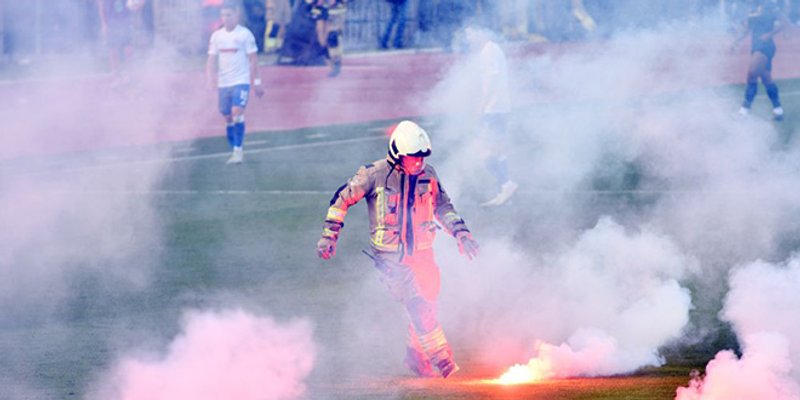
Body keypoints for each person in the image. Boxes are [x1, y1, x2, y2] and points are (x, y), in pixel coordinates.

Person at [316, 120, 480, 378]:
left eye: (421, 158)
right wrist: (329, 236)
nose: (418, 163)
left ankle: (415, 356)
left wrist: (462, 233)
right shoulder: (373, 174)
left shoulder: (429, 175)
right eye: (412, 158)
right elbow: (341, 200)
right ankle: (444, 362)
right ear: (397, 154)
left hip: (424, 255)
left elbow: (443, 207)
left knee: (428, 304)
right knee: (418, 308)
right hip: (390, 258)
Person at [464, 26, 518, 207]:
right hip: (497, 109)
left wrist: (481, 105)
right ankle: (504, 190)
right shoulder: (492, 49)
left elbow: (491, 80)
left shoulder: (488, 51)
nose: (468, 38)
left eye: (470, 33)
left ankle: (506, 185)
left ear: (482, 31)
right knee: (495, 149)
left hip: (493, 110)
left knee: (484, 151)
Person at [206, 2, 264, 164]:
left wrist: (257, 82)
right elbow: (211, 59)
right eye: (223, 15)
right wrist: (210, 78)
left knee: (237, 111)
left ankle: (238, 150)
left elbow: (253, 60)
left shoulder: (245, 35)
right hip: (223, 83)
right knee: (227, 115)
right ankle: (234, 146)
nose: (226, 18)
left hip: (240, 81)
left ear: (236, 14)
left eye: (229, 15)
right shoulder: (217, 36)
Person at [733, 0, 789, 121]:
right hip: (755, 46)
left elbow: (785, 23)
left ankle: (744, 110)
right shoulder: (751, 9)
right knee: (766, 79)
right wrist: (737, 40)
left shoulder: (769, 5)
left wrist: (770, 34)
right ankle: (778, 110)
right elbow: (747, 29)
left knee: (752, 73)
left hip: (766, 46)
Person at [97, 0, 143, 87]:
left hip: (126, 21)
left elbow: (138, 3)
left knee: (128, 49)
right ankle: (116, 76)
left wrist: (137, 4)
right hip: (111, 22)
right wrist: (104, 24)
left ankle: (130, 75)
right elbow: (101, 5)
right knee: (113, 50)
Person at [312, 0, 348, 77]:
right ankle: (331, 64)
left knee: (332, 34)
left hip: (335, 7)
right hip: (320, 7)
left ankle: (336, 62)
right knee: (321, 40)